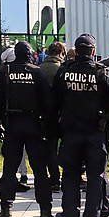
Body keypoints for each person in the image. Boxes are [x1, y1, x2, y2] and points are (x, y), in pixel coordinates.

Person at [51, 33, 109, 217]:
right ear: (93, 51)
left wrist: (53, 131)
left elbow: (52, 104)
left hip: (71, 134)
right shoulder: (102, 73)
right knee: (95, 179)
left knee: (70, 178)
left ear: (75, 51)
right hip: (95, 134)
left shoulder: (64, 72)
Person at [0, 41, 54, 217]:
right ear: (29, 54)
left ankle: (6, 208)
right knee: (40, 170)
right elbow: (47, 103)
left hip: (12, 124)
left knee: (9, 168)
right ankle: (45, 211)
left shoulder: (5, 71)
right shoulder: (37, 72)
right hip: (34, 125)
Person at [39, 40, 66, 189]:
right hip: (61, 114)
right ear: (61, 53)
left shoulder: (39, 69)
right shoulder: (62, 70)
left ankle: (54, 178)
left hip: (45, 115)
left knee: (50, 148)